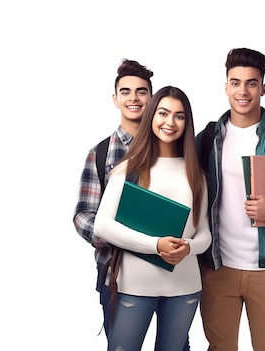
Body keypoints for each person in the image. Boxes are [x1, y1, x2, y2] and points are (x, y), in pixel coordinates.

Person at [195, 47, 265, 351]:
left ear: (263, 88)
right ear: (226, 86)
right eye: (235, 82)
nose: (243, 91)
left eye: (251, 83)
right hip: (218, 267)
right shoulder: (206, 139)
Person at [93, 86, 211, 351]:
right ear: (151, 117)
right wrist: (155, 246)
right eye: (163, 113)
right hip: (135, 285)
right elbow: (102, 225)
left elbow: (204, 234)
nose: (170, 122)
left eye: (179, 116)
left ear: (187, 123)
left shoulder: (197, 175)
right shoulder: (128, 168)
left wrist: (188, 247)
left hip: (184, 287)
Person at [73, 58, 154, 336]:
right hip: (116, 272)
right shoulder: (100, 153)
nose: (134, 98)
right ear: (115, 99)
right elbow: (83, 215)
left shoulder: (173, 147)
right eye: (126, 92)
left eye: (141, 91)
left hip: (169, 272)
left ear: (152, 98)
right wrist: (117, 234)